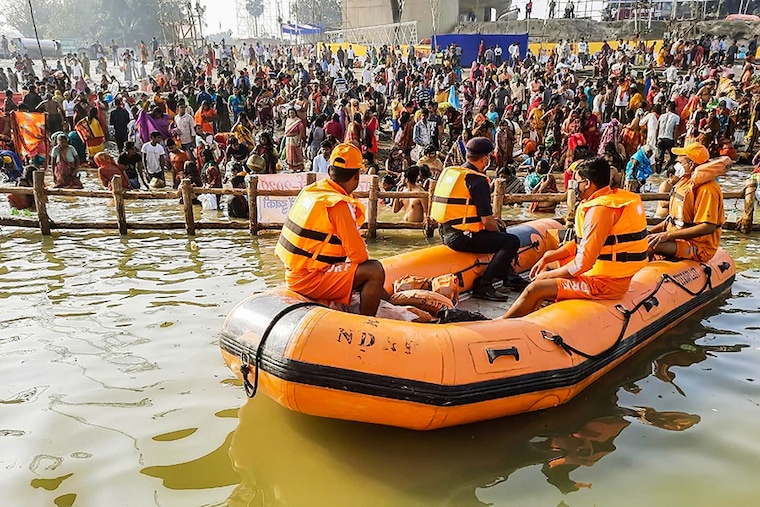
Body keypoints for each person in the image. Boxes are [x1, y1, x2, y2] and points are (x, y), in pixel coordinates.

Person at [502, 158, 648, 318]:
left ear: (586, 183)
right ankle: (535, 313)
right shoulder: (607, 199)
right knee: (549, 265)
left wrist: (548, 277)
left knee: (535, 288)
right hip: (602, 272)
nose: (573, 185)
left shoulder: (600, 210)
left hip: (606, 283)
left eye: (576, 181)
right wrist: (549, 256)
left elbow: (583, 263)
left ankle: (501, 324)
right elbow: (583, 243)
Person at [275, 143, 388, 316]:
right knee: (374, 271)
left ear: (329, 170)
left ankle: (390, 301)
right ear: (357, 177)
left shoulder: (313, 191)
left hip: (296, 272)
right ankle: (368, 325)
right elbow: (359, 256)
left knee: (378, 284)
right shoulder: (338, 205)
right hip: (310, 279)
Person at [430, 137, 525, 302]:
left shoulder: (455, 172)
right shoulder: (478, 180)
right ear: (484, 159)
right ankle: (484, 284)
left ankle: (509, 276)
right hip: (460, 237)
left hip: (446, 231)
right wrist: (496, 230)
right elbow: (487, 222)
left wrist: (496, 225)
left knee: (500, 230)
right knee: (511, 241)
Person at [648, 143, 727, 262]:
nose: (676, 164)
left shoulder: (708, 189)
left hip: (697, 246)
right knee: (641, 240)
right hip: (677, 238)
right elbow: (673, 220)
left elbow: (708, 226)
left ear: (691, 165)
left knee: (648, 246)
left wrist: (667, 235)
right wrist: (651, 231)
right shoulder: (684, 182)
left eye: (680, 162)